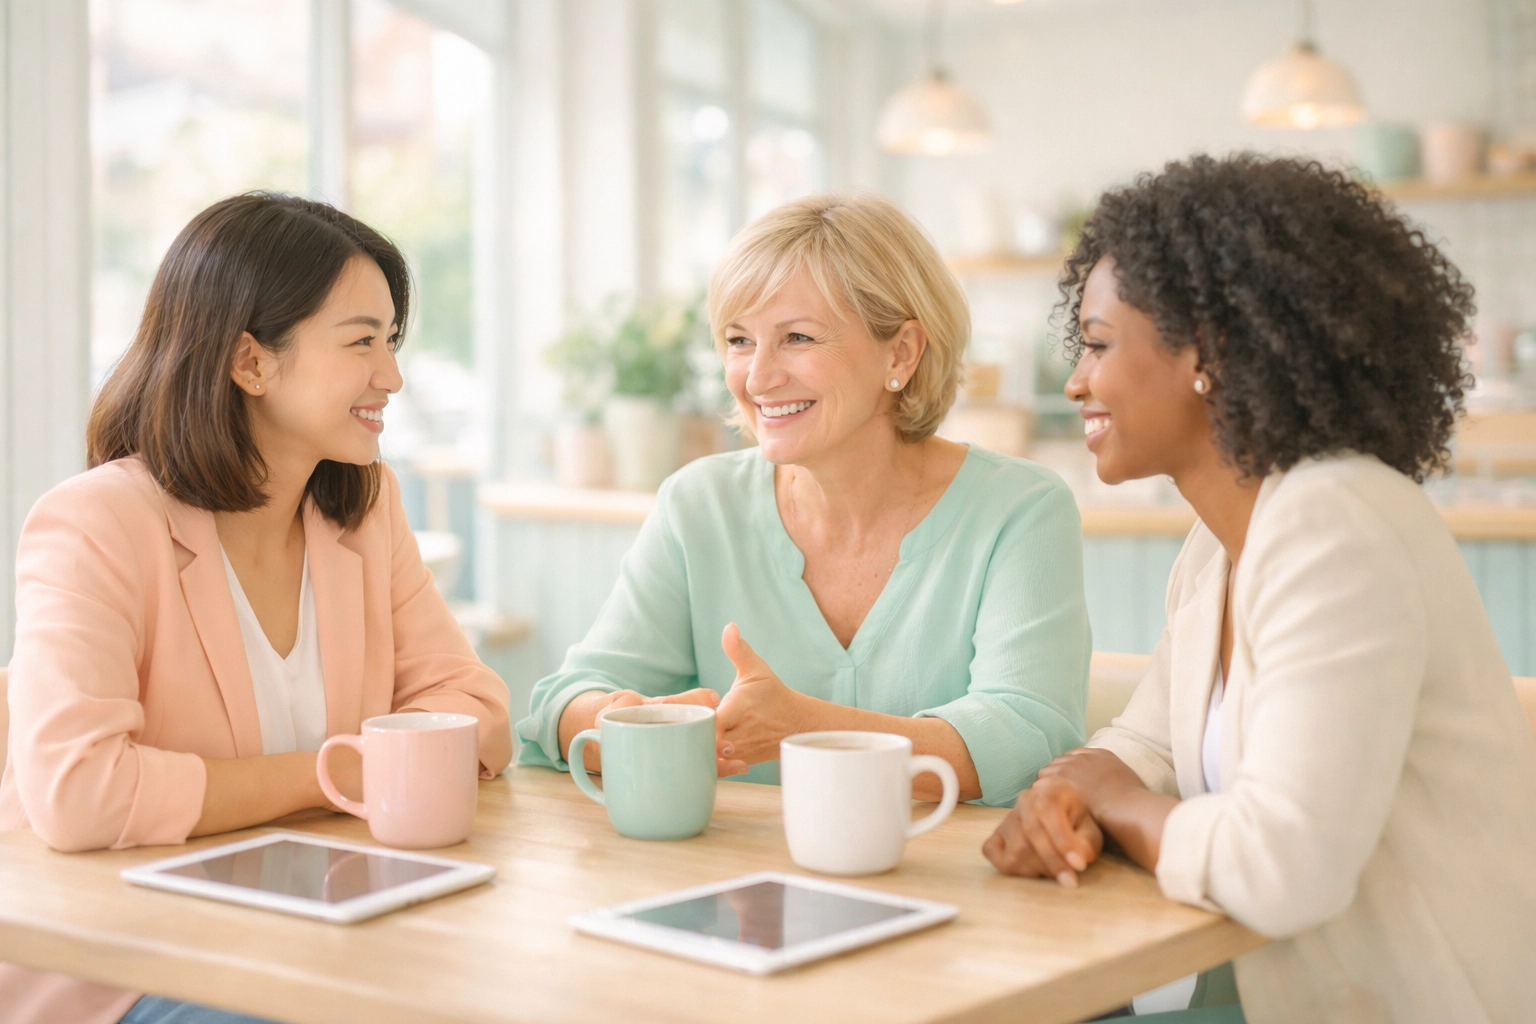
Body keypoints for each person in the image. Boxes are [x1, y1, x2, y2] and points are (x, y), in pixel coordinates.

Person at [982, 154, 1536, 1023]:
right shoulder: (1221, 543)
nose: (1076, 381)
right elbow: (1146, 745)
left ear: (1209, 349)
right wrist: (1067, 797)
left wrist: (1117, 803)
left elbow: (1284, 870)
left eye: (1096, 344)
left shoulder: (1337, 525)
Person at [0, 193, 513, 1024]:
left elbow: (477, 709)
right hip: (122, 963)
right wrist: (339, 775)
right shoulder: (97, 521)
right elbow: (80, 794)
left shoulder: (362, 508)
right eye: (360, 343)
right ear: (251, 362)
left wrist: (349, 775)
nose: (392, 375)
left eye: (391, 340)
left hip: (309, 930)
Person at [517, 194, 1091, 805]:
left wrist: (805, 728)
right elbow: (561, 701)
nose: (758, 378)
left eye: (796, 337)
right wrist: (617, 717)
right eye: (739, 340)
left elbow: (1031, 739)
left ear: (900, 353)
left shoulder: (1020, 509)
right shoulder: (698, 504)